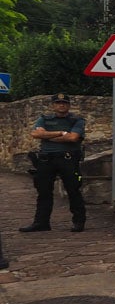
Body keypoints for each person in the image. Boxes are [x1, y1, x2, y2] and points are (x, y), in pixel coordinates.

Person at [21, 93, 87, 233]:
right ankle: (41, 223)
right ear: (53, 105)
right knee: (43, 192)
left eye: (64, 102)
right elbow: (36, 134)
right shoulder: (44, 119)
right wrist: (61, 133)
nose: (61, 105)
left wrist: (48, 136)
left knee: (73, 190)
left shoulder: (77, 120)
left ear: (68, 105)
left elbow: (73, 138)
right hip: (46, 160)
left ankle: (79, 221)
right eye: (58, 102)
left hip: (68, 159)